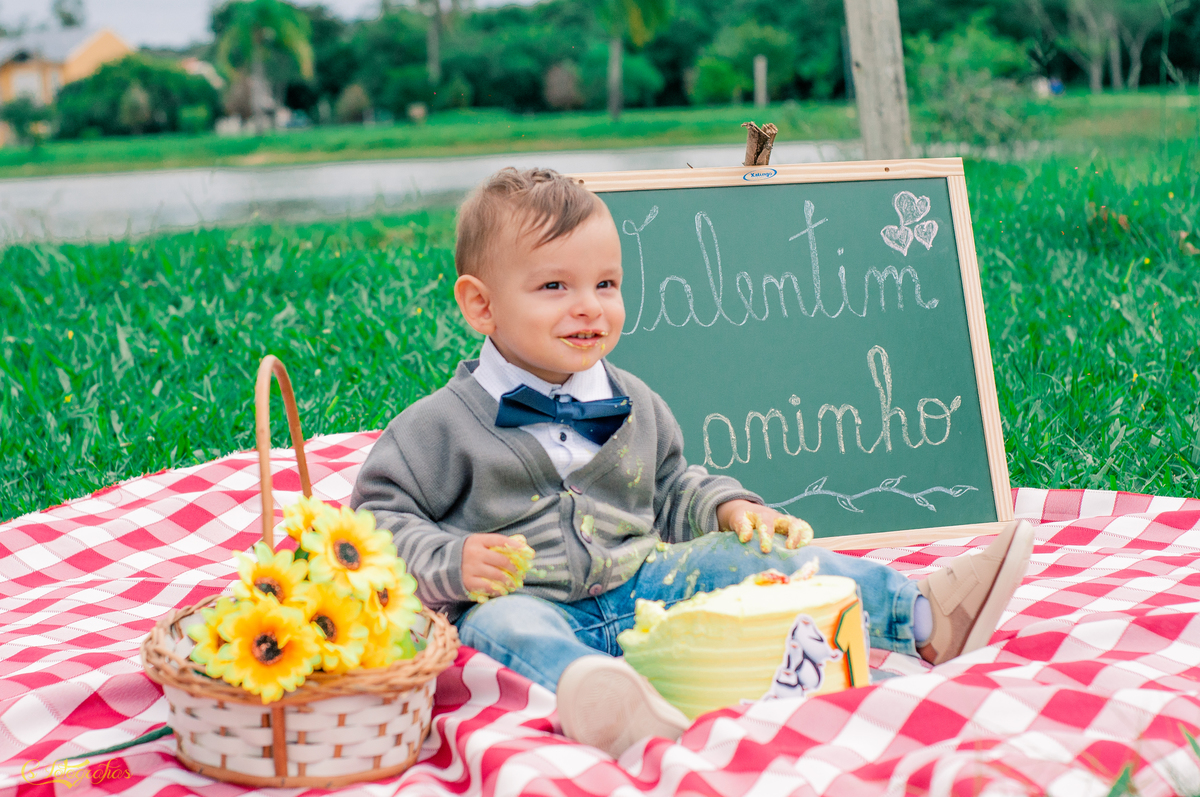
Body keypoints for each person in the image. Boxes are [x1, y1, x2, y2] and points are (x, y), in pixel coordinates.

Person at [351, 167, 1034, 759]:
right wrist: (452, 558)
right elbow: (375, 525)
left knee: (744, 559)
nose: (589, 306)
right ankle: (619, 704)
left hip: (646, 584)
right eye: (555, 285)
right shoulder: (437, 427)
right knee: (502, 631)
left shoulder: (633, 402)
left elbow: (673, 485)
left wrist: (726, 507)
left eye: (607, 283)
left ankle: (921, 616)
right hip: (526, 600)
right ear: (481, 305)